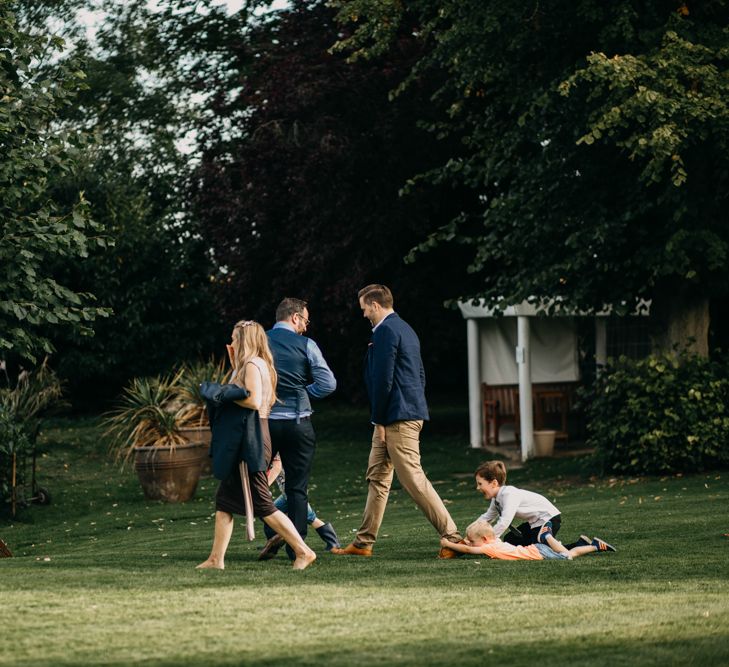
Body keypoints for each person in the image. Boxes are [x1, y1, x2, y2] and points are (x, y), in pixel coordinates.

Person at [332, 284, 463, 559]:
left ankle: (452, 538)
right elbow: (420, 375)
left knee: (413, 478)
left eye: (365, 308)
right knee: (377, 477)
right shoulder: (406, 328)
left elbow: (383, 380)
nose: (364, 314)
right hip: (403, 413)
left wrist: (379, 420)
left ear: (376, 305)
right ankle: (363, 542)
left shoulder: (387, 331)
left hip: (396, 418)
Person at [196, 320, 316, 571]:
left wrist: (220, 395)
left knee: (263, 504)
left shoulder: (252, 364)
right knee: (225, 502)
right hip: (250, 435)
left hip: (250, 436)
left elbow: (253, 400)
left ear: (245, 340)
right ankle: (216, 559)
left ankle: (303, 551)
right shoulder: (257, 363)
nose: (232, 343)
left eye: (235, 339)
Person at [266, 298, 336, 557]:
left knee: (258, 484)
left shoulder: (258, 340)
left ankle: (271, 533)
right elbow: (328, 384)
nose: (306, 327)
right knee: (297, 488)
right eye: (305, 320)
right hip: (298, 423)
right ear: (295, 317)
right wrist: (303, 391)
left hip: (266, 423)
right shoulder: (307, 344)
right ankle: (297, 550)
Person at [473, 460, 590, 549]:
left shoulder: (509, 494)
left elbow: (504, 522)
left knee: (541, 550)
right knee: (510, 539)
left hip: (548, 519)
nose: (478, 488)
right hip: (534, 523)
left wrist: (489, 541)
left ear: (493, 483)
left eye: (480, 484)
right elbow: (486, 518)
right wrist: (471, 534)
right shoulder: (497, 499)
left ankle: (582, 545)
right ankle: (542, 544)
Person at [257, 454, 340, 560]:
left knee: (310, 517)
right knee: (267, 513)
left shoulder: (275, 447)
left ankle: (333, 543)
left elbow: (277, 466)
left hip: (295, 492)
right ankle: (272, 543)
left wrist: (264, 486)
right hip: (287, 493)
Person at [440, 519, 616, 561]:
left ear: (485, 539)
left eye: (472, 540)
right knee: (568, 553)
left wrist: (448, 544)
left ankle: (547, 535)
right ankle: (595, 546)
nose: (469, 543)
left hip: (538, 552)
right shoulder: (496, 542)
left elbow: (470, 550)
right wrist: (469, 538)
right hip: (535, 548)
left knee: (567, 557)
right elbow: (473, 545)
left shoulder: (489, 548)